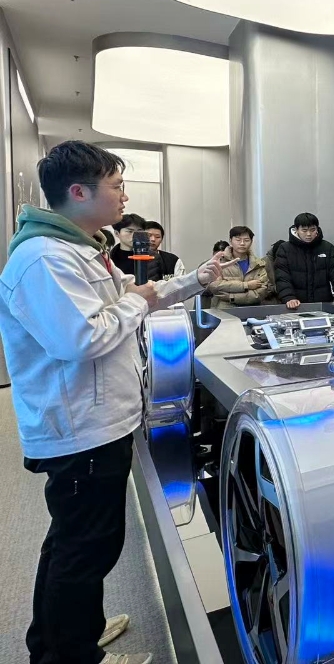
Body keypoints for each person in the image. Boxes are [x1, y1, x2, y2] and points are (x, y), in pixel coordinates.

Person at [0, 141, 228, 664]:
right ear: (78, 192)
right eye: (116, 185)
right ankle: (68, 653)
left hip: (99, 420)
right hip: (80, 426)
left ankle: (69, 633)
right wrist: (135, 303)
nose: (124, 195)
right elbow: (82, 338)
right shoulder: (44, 258)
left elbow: (136, 295)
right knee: (84, 547)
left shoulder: (81, 248)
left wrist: (195, 280)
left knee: (77, 540)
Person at [273, 212, 334, 309]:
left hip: (323, 304)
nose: (309, 234)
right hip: (296, 305)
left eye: (312, 230)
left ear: (317, 229)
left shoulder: (327, 248)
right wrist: (288, 297)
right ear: (296, 230)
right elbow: (282, 277)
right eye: (304, 230)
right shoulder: (285, 249)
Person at [208, 225, 272, 308]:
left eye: (246, 240)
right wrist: (246, 285)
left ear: (251, 241)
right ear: (230, 241)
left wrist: (231, 297)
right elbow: (215, 287)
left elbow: (261, 292)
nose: (242, 243)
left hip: (252, 309)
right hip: (224, 310)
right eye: (238, 240)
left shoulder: (258, 264)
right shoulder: (220, 261)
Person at [109, 212, 163, 281]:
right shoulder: (109, 257)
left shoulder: (154, 257)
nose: (135, 235)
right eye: (130, 231)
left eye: (139, 231)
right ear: (117, 233)